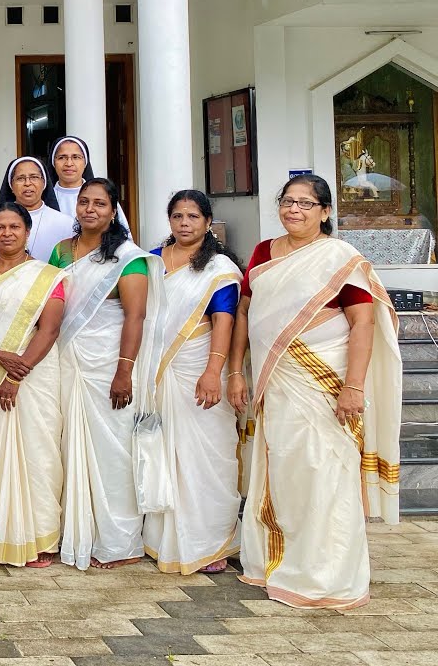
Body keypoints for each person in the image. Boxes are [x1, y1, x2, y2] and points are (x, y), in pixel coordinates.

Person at [227, 174, 400, 609]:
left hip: (325, 380)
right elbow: (246, 310)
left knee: (325, 473)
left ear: (325, 212)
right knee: (284, 470)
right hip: (276, 381)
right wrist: (235, 369)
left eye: (306, 203)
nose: (294, 210)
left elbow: (363, 322)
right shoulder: (265, 253)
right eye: (288, 201)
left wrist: (353, 387)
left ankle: (326, 576)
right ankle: (277, 563)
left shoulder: (341, 257)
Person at [50, 177, 163, 570]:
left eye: (99, 203)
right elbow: (52, 304)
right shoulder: (63, 251)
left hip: (109, 363)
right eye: (84, 202)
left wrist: (124, 372)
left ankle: (118, 542)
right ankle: (76, 531)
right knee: (68, 445)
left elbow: (136, 316)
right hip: (67, 360)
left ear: (113, 210)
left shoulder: (127, 257)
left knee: (113, 451)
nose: (90, 209)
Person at [0, 203, 67, 567]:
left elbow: (49, 330)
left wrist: (15, 375)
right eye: (0, 227)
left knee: (38, 452)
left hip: (34, 377)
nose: (7, 233)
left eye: (14, 227)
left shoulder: (48, 276)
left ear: (26, 231)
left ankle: (40, 539)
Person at [142, 191, 243, 575]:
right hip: (155, 371)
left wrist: (213, 371)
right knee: (163, 452)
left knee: (206, 456)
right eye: (178, 216)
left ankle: (210, 541)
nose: (185, 223)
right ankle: (163, 539)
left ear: (207, 221)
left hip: (199, 370)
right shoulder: (152, 258)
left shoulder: (217, 267)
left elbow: (224, 321)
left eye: (193, 216)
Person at [0, 157, 75, 264]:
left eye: (34, 177)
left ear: (44, 183)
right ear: (11, 186)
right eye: (20, 178)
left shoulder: (65, 223)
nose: (27, 183)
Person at [47, 136, 129, 229]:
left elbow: (124, 236)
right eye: (62, 157)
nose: (69, 163)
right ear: (54, 162)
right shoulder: (43, 199)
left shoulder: (103, 195)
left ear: (85, 162)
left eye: (76, 157)